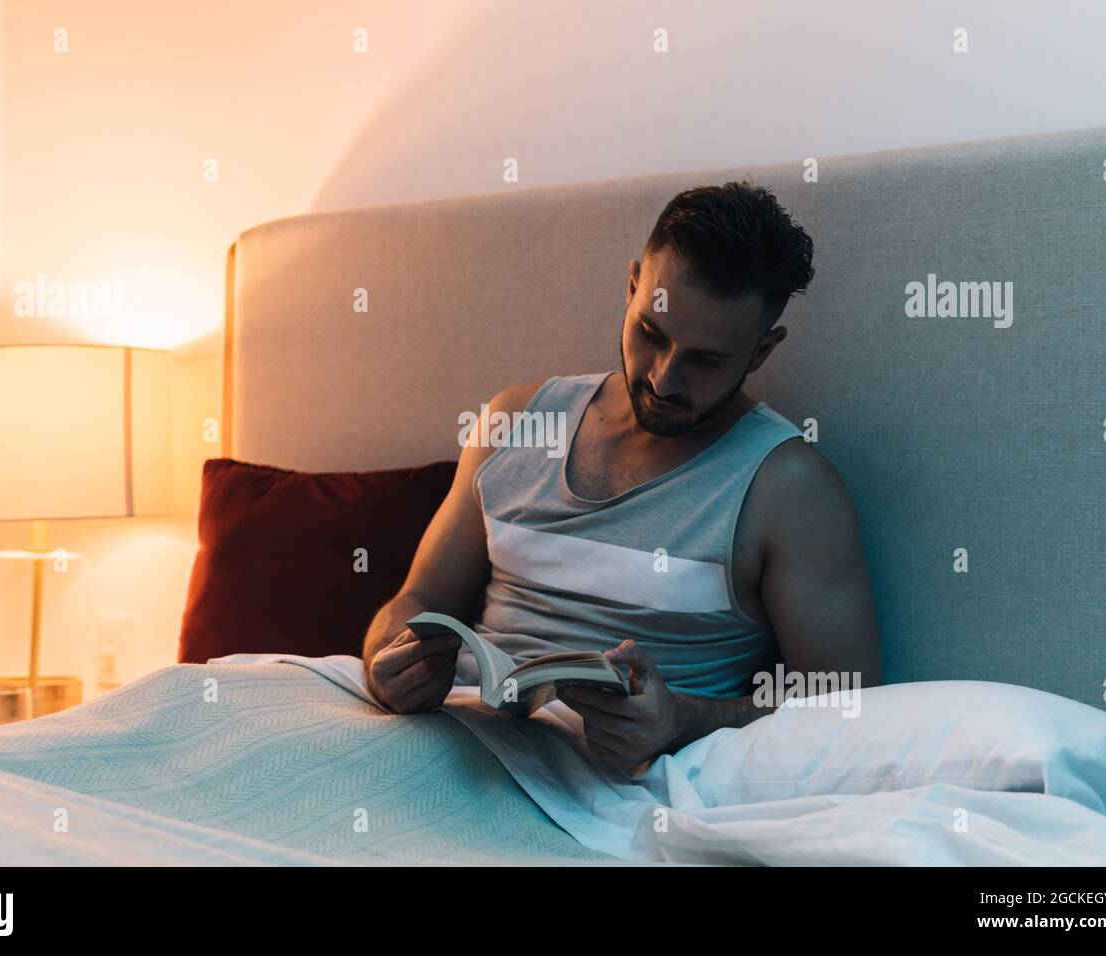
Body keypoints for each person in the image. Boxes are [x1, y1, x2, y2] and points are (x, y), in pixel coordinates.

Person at [362, 180, 881, 774]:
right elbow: (420, 599)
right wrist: (387, 661)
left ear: (761, 352)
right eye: (651, 334)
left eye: (707, 360)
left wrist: (680, 719)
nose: (664, 379)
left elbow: (848, 702)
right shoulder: (514, 422)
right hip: (448, 738)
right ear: (633, 287)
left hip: (616, 779)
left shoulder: (788, 489)